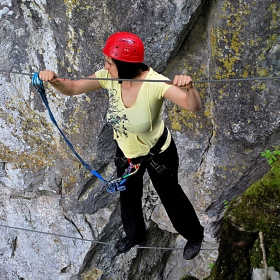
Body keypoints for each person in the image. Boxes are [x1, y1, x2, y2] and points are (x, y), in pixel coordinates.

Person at [39, 31, 204, 260]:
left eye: (109, 62)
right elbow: (73, 88)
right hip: (127, 152)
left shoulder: (154, 83)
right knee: (128, 196)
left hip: (159, 154)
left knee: (171, 197)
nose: (105, 66)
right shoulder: (109, 78)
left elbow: (192, 106)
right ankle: (135, 235)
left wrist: (189, 88)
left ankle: (194, 235)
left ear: (125, 66)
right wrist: (53, 79)